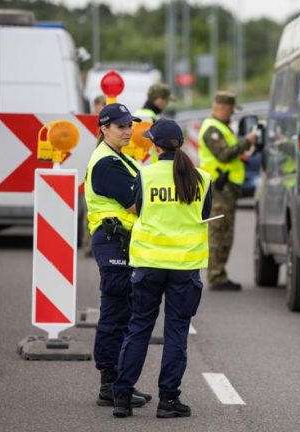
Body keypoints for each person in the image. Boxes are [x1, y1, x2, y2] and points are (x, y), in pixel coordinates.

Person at [111, 118, 212, 419]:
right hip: (185, 266)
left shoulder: (146, 174)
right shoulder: (202, 178)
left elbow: (139, 210)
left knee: (138, 328)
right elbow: (204, 215)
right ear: (180, 144)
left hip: (149, 264)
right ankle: (168, 401)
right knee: (177, 332)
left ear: (154, 146)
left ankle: (122, 398)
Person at [84, 103, 152, 408]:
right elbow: (136, 204)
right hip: (113, 241)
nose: (128, 131)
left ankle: (120, 383)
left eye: (129, 126)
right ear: (104, 128)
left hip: (122, 241)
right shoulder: (107, 164)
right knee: (115, 311)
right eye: (121, 126)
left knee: (123, 309)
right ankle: (109, 385)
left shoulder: (119, 158)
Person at [198, 91, 257, 291]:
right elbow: (223, 155)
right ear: (222, 107)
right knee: (218, 231)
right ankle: (215, 275)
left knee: (225, 232)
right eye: (231, 109)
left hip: (227, 188)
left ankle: (219, 273)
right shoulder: (212, 129)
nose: (232, 113)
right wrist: (247, 141)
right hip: (219, 188)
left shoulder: (222, 128)